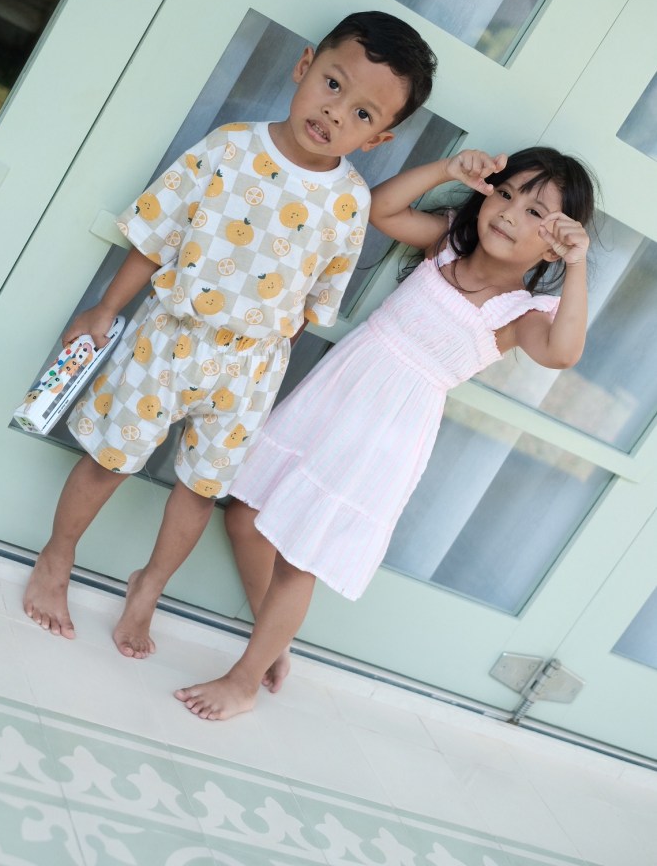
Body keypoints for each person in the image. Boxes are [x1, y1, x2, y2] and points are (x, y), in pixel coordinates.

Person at [22, 11, 438, 654]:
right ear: (304, 66)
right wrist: (106, 309)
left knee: (199, 490)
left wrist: (264, 356)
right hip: (169, 338)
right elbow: (157, 235)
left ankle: (149, 587)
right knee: (109, 460)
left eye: (362, 113)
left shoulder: (350, 202)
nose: (335, 112)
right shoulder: (231, 147)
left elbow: (315, 300)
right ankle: (57, 557)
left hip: (250, 369)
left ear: (378, 138)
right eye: (332, 84)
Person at [175, 145, 597, 720]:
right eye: (505, 194)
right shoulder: (445, 243)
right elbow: (379, 208)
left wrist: (578, 265)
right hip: (335, 394)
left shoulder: (521, 313)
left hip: (386, 431)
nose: (508, 213)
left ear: (552, 245)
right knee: (244, 515)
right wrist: (447, 170)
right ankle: (272, 640)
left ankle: (244, 680)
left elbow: (564, 353)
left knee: (300, 558)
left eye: (534, 212)